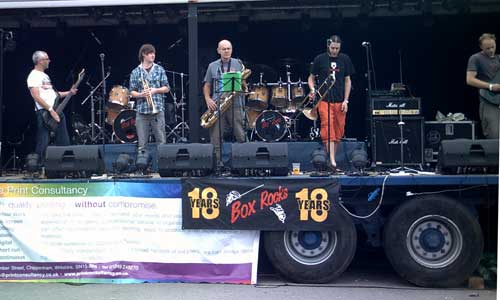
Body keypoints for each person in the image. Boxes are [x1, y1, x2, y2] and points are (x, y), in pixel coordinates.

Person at [308, 35, 355, 170]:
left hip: (340, 100)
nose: (335, 51)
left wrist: (346, 100)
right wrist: (312, 89)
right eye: (333, 48)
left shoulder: (345, 59)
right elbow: (311, 78)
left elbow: (348, 81)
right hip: (324, 100)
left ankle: (331, 159)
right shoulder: (320, 59)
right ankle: (333, 161)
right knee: (328, 128)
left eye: (337, 48)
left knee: (339, 130)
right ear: (328, 45)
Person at [27, 50, 77, 162]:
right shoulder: (33, 76)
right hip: (44, 112)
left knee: (63, 138)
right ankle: (39, 167)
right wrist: (50, 110)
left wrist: (69, 92)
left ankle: (66, 163)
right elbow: (36, 96)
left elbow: (54, 94)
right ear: (40, 61)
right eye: (47, 59)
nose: (49, 61)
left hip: (56, 109)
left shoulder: (45, 76)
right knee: (43, 140)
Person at [203, 39, 246, 161]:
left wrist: (238, 79)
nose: (226, 51)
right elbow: (207, 85)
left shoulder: (238, 64)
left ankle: (243, 162)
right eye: (224, 49)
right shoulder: (212, 66)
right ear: (218, 51)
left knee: (240, 134)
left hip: (235, 103)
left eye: (229, 48)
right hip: (218, 104)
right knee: (216, 137)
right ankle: (217, 164)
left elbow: (244, 86)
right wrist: (208, 99)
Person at [129, 44, 170, 150]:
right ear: (144, 54)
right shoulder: (135, 72)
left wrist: (155, 90)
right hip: (142, 112)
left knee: (161, 142)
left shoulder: (159, 69)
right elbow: (131, 91)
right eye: (150, 53)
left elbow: (167, 88)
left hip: (157, 111)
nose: (153, 55)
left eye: (154, 53)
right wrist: (140, 95)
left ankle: (162, 166)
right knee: (142, 144)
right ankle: (143, 166)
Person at [466, 33, 500, 139]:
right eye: (487, 48)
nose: (491, 50)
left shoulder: (499, 58)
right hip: (489, 101)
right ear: (481, 47)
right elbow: (469, 80)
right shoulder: (475, 58)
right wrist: (490, 86)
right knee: (494, 135)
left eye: (493, 47)